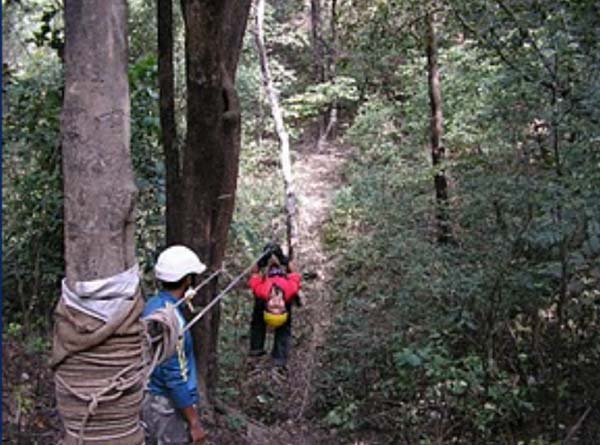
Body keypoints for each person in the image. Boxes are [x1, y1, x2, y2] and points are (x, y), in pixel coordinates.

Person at [141, 245, 208, 445]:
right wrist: (194, 421)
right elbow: (175, 376)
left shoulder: (153, 306)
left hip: (150, 399)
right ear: (188, 279)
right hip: (166, 406)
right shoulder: (172, 320)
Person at [248, 243, 301, 370]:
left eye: (273, 307)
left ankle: (267, 354)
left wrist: (262, 261)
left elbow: (254, 272)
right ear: (284, 307)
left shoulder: (260, 290)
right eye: (279, 307)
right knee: (285, 323)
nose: (277, 303)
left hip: (265, 290)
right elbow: (294, 272)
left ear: (267, 305)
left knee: (258, 317)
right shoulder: (291, 290)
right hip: (283, 284)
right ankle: (276, 357)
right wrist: (283, 259)